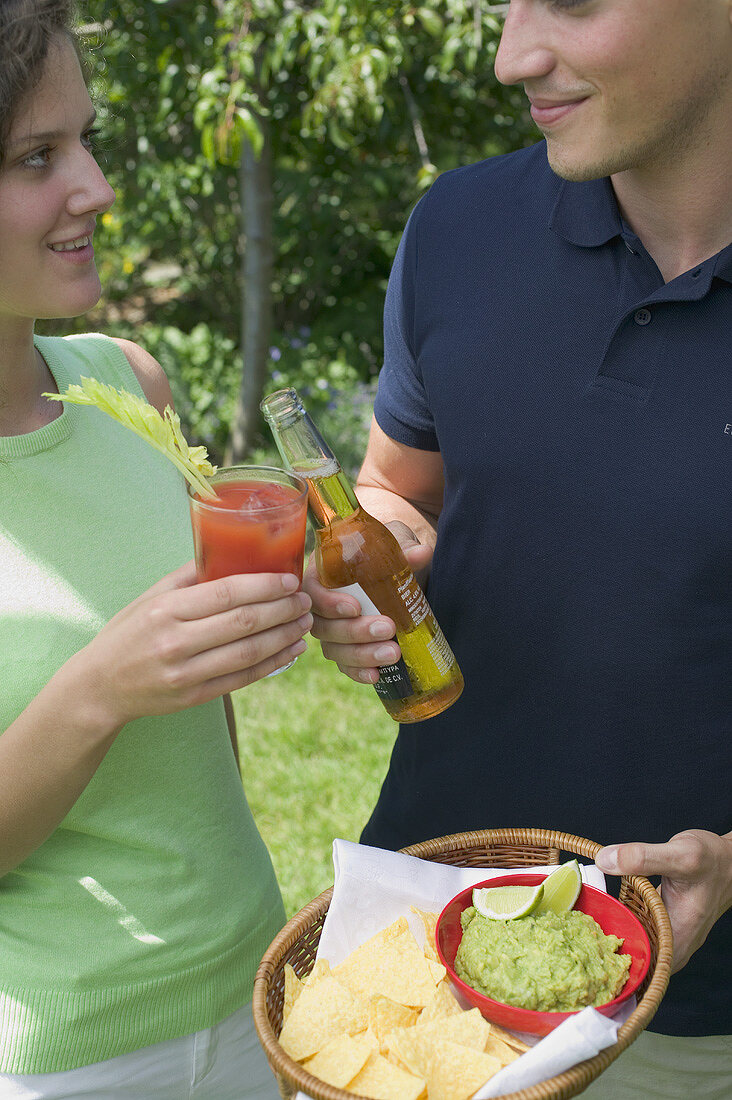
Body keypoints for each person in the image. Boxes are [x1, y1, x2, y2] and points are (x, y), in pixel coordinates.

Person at [305, 0, 732, 1095]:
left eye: (574, 3)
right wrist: (368, 563)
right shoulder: (457, 227)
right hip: (412, 951)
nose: (511, 58)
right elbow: (396, 488)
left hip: (689, 1024)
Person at [0, 2, 312, 1096]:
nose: (95, 186)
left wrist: (285, 615)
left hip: (261, 986)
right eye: (37, 156)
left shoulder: (130, 383)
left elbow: (207, 715)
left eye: (86, 139)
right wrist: (98, 688)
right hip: (66, 1057)